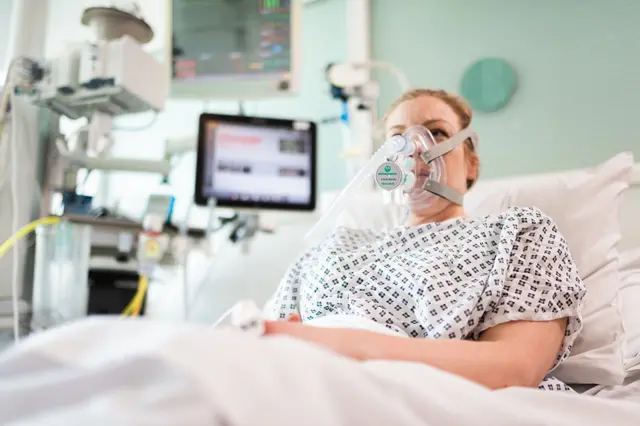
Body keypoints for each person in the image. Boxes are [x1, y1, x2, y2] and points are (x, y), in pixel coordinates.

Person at [264, 88, 586, 392]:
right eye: (397, 139)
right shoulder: (333, 246)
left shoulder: (516, 234)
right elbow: (265, 339)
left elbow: (515, 368)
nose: (414, 148)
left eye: (438, 133)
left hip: (418, 398)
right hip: (296, 387)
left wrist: (346, 346)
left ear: (471, 164)